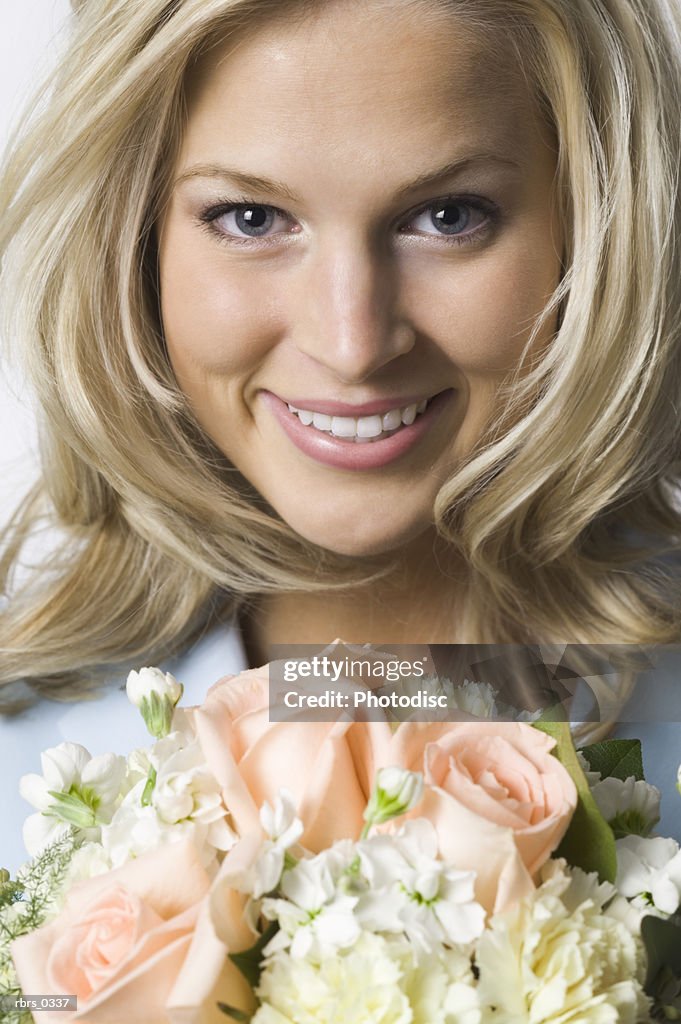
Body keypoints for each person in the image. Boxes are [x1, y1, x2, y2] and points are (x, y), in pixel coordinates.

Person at [1, 0, 681, 871]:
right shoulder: (23, 753)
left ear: (591, 229)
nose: (352, 344)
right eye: (251, 218)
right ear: (131, 245)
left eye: (447, 216)